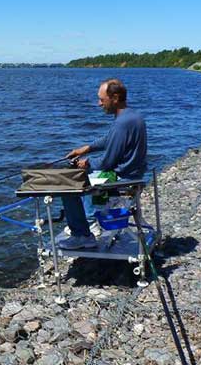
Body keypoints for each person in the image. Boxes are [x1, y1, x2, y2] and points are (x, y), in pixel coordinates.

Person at [58, 78, 147, 250]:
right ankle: (88, 221)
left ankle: (83, 234)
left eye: (102, 99)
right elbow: (109, 140)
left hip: (123, 178)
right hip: (134, 173)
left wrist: (86, 163)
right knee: (83, 179)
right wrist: (86, 148)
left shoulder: (121, 124)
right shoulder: (132, 116)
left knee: (68, 187)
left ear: (115, 98)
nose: (99, 104)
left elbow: (107, 162)